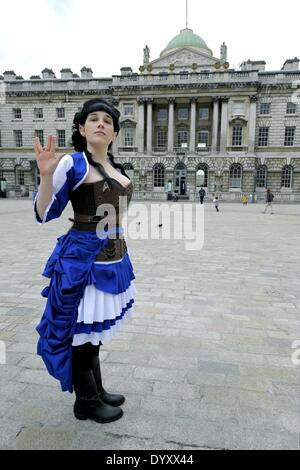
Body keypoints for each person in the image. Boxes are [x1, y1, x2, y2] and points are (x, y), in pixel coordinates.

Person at [33, 98, 136, 424]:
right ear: (81, 128)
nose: (101, 123)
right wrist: (46, 177)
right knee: (80, 336)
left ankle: (98, 390)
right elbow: (44, 214)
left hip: (114, 260)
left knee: (92, 335)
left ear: (115, 134)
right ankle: (86, 401)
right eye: (94, 118)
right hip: (83, 262)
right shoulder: (72, 164)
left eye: (108, 120)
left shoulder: (117, 169)